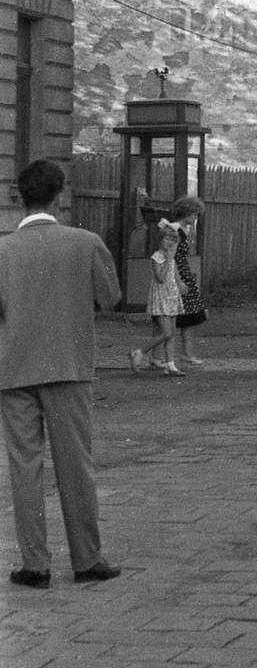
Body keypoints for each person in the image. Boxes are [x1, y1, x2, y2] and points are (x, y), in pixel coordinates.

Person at [0, 160, 122, 587]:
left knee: (24, 467)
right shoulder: (85, 242)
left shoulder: (1, 250)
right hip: (69, 366)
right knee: (75, 464)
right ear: (61, 194)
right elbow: (111, 298)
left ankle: (35, 564)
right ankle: (87, 559)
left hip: (14, 369)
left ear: (19, 196)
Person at [129, 223, 185, 376]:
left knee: (171, 332)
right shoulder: (157, 257)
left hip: (172, 297)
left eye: (173, 240)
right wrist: (168, 260)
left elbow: (175, 275)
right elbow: (160, 278)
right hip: (161, 298)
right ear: (161, 240)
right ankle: (139, 351)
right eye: (168, 239)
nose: (170, 243)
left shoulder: (171, 258)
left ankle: (170, 364)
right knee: (166, 332)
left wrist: (181, 285)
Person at [170, 196, 208, 365]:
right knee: (173, 315)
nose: (195, 218)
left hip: (184, 273)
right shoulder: (176, 230)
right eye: (193, 215)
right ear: (185, 213)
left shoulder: (184, 229)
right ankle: (162, 355)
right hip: (177, 274)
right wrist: (178, 280)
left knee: (190, 314)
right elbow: (173, 258)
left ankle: (186, 352)